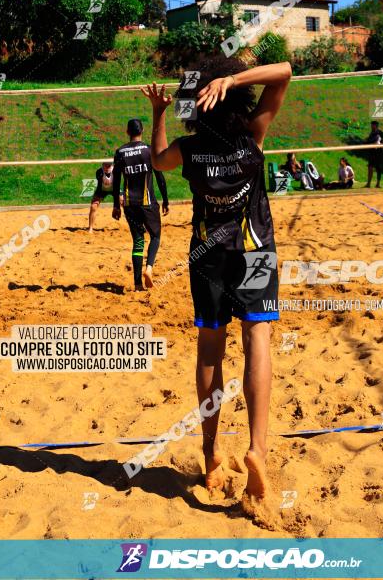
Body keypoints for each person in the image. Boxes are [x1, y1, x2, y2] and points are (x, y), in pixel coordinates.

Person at [142, 58, 292, 502]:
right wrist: (234, 79)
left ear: (197, 104)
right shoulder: (252, 137)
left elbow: (156, 160)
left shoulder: (190, 149)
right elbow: (283, 72)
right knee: (257, 339)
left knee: (210, 351)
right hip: (254, 251)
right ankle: (257, 450)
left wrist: (158, 113)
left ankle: (210, 456)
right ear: (237, 99)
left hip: (208, 257)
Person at [112, 118, 169, 291]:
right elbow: (160, 177)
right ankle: (149, 268)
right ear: (142, 130)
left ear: (127, 132)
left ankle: (137, 284)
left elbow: (116, 182)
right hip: (148, 203)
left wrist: (116, 204)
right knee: (156, 236)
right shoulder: (148, 150)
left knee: (138, 241)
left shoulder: (120, 152)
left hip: (129, 204)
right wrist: (165, 200)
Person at [88, 161, 117, 232]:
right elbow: (102, 184)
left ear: (112, 165)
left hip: (114, 188)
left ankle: (132, 226)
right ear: (102, 165)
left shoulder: (116, 171)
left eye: (108, 165)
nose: (107, 167)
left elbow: (117, 184)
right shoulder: (99, 172)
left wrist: (116, 205)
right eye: (105, 165)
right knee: (93, 207)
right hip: (102, 189)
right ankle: (90, 228)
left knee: (124, 203)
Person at [365, 120, 383, 189]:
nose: (371, 126)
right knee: (370, 167)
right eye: (371, 125)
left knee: (378, 168)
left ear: (375, 126)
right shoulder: (371, 133)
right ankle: (368, 183)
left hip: (378, 153)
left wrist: (371, 142)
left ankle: (378, 184)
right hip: (372, 153)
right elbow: (369, 141)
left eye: (372, 125)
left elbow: (378, 140)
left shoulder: (379, 132)